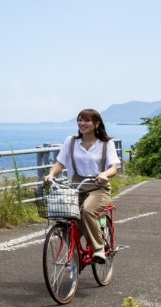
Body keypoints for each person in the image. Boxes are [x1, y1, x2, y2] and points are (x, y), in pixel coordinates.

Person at [43, 108, 120, 262]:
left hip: (99, 188)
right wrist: (51, 174)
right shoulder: (71, 141)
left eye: (86, 120)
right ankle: (77, 255)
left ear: (96, 124)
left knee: (87, 211)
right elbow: (60, 162)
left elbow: (114, 167)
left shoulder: (106, 143)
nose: (82, 123)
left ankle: (98, 248)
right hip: (76, 188)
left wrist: (104, 174)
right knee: (65, 219)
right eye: (80, 120)